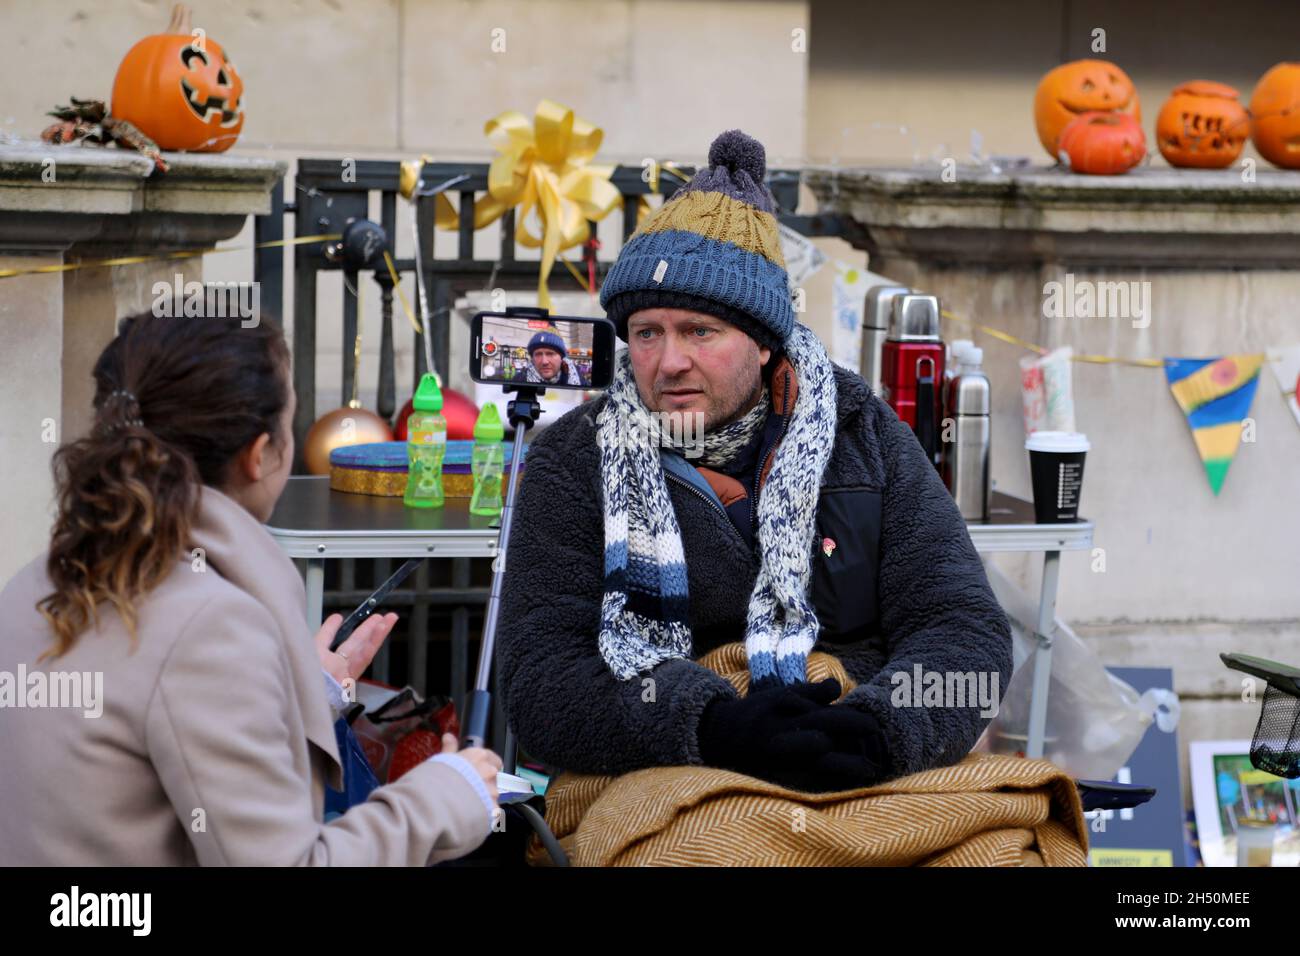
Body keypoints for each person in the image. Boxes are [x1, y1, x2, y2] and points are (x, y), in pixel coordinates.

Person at [497, 130, 1013, 792]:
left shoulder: (864, 433)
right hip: (666, 764)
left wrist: (882, 730)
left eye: (700, 332)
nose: (669, 361)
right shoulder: (572, 460)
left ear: (766, 344)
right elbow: (540, 678)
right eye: (648, 333)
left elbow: (963, 627)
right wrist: (711, 728)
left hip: (859, 744)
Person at [0, 309, 503, 865]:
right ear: (260, 453)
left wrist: (305, 689)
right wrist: (444, 797)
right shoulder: (208, 625)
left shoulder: (41, 575)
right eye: (291, 418)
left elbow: (150, 718)